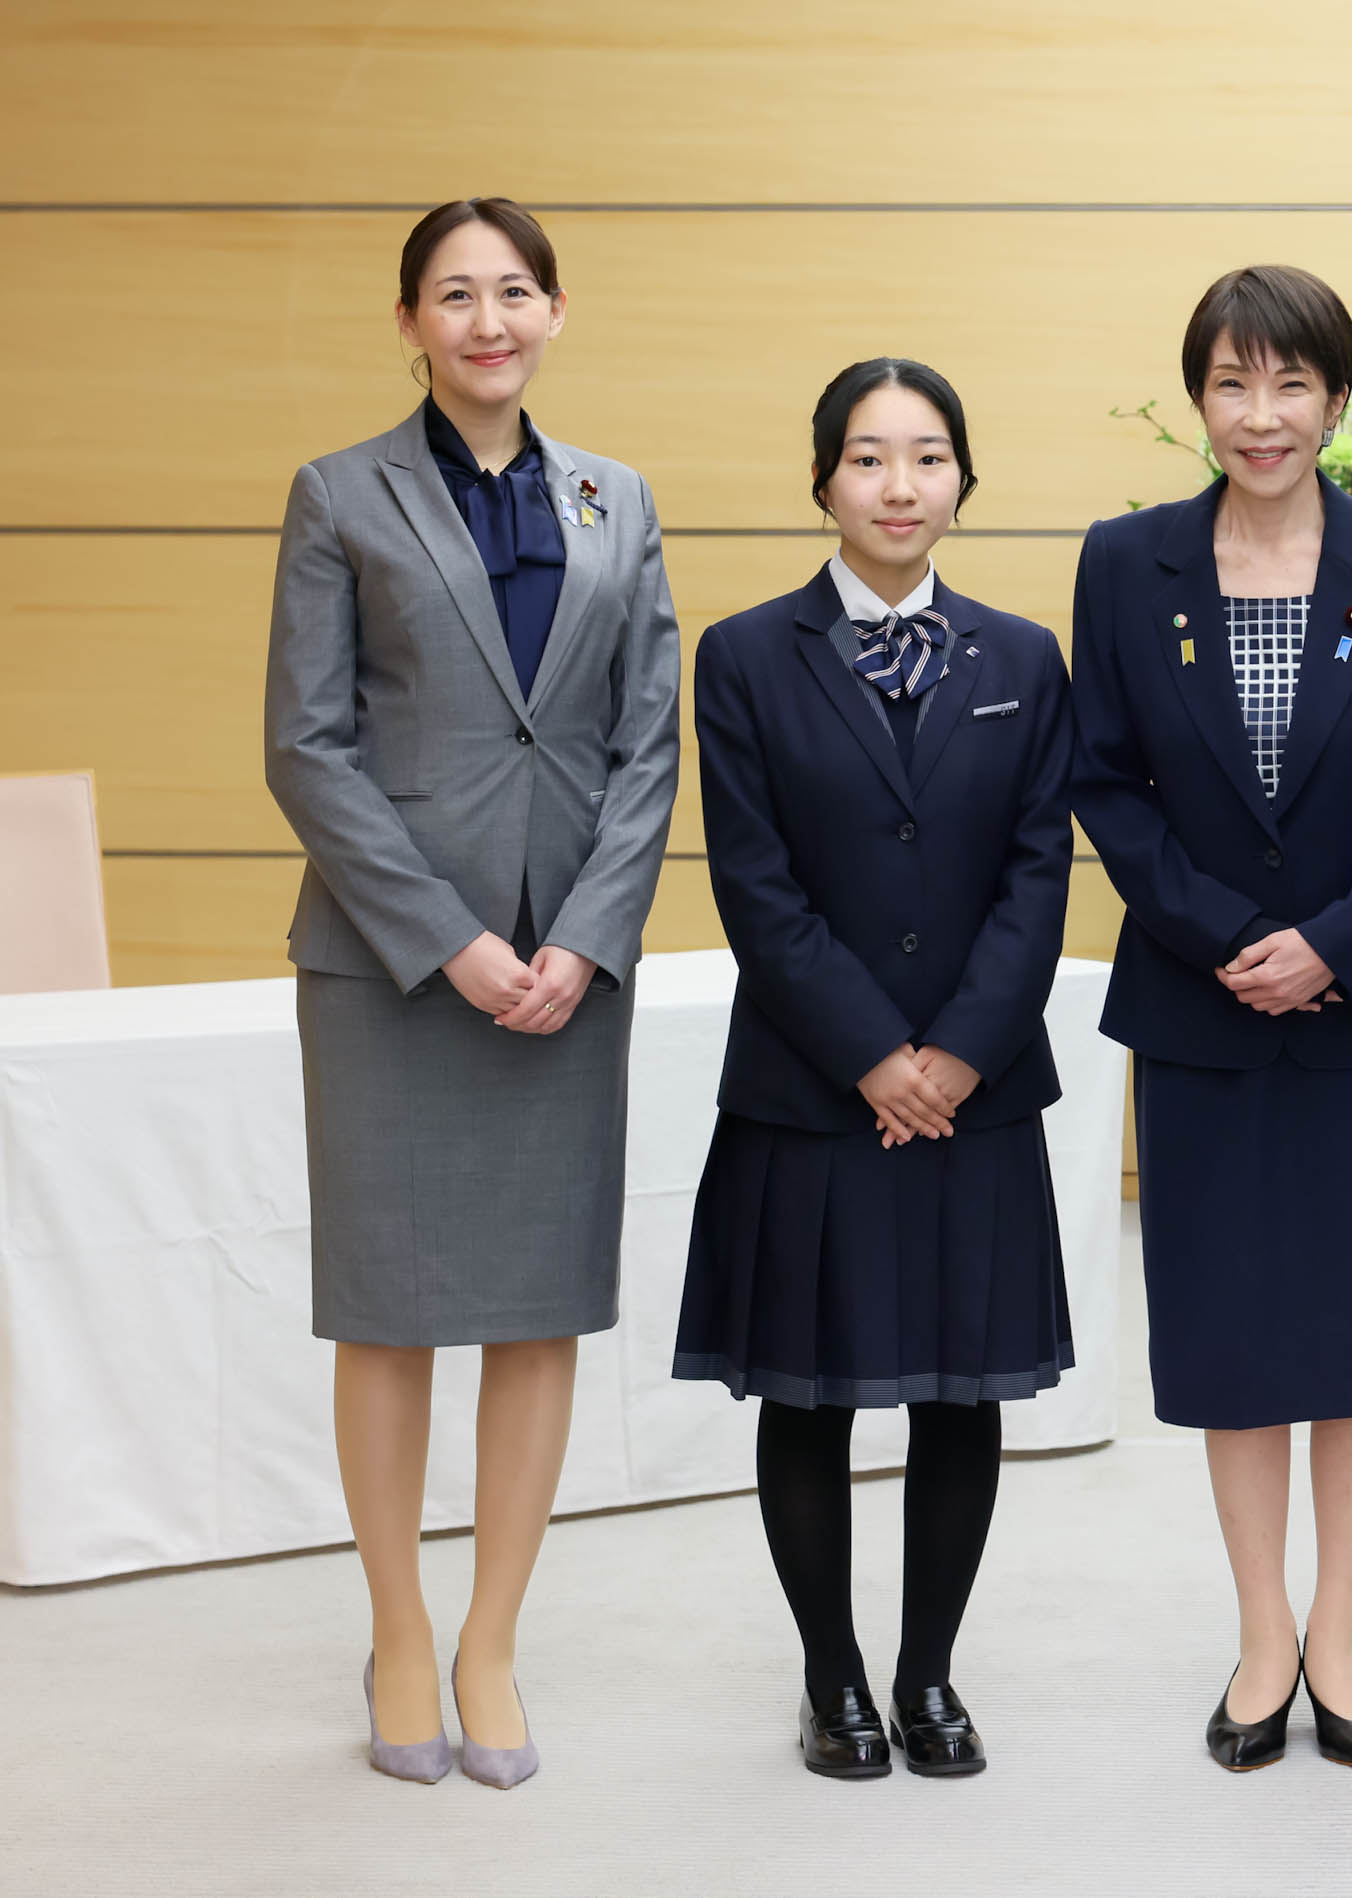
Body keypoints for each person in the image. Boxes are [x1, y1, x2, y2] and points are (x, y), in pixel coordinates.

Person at [263, 198, 680, 1787]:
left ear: (557, 312)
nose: (487, 319)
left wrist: (584, 933)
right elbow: (310, 744)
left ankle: (492, 1636)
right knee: (387, 1311)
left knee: (535, 1308)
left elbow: (648, 745)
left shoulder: (617, 499)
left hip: (566, 967)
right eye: (455, 294)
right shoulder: (338, 495)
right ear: (411, 322)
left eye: (514, 291)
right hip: (390, 966)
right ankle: (393, 1624)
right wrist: (447, 937)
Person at [1068, 265, 1352, 1770]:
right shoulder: (1127, 565)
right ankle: (1260, 1633)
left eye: (1292, 383)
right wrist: (1234, 936)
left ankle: (1341, 1633)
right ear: (1201, 397)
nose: (1264, 415)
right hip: (1206, 1011)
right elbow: (1107, 781)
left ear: (1336, 396)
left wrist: (1334, 941)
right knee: (1237, 1335)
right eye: (1235, 384)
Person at [671, 359, 1076, 1780]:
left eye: (926, 457)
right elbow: (755, 886)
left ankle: (929, 1673)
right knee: (813, 1391)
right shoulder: (741, 655)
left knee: (962, 1390)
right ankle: (832, 1677)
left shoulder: (1025, 660)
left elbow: (1039, 880)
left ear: (964, 480)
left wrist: (955, 1056)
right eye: (867, 458)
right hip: (811, 1087)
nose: (898, 486)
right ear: (824, 481)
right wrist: (873, 1057)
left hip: (975, 1095)